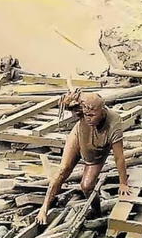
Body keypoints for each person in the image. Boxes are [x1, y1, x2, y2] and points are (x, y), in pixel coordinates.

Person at [36, 90, 131, 225]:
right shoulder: (84, 107)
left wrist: (123, 183)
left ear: (102, 111)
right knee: (63, 170)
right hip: (79, 135)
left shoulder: (113, 123)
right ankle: (44, 207)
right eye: (86, 115)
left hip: (98, 149)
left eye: (92, 115)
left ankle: (96, 211)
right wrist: (66, 101)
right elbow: (66, 104)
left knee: (86, 186)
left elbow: (119, 157)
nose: (88, 118)